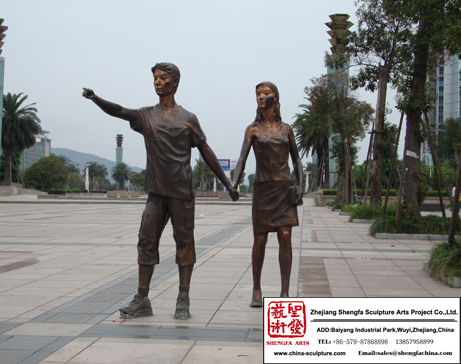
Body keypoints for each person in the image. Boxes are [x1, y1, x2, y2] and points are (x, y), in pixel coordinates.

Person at [83, 63, 239, 320]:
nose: (157, 82)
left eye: (163, 78)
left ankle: (183, 297)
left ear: (174, 83)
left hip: (181, 193)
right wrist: (95, 98)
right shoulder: (146, 115)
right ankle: (142, 298)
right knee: (146, 241)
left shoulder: (188, 118)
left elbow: (206, 152)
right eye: (155, 78)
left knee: (184, 244)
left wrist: (227, 183)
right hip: (156, 193)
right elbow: (120, 111)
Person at [232, 82, 303, 307]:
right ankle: (256, 288)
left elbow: (297, 159)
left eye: (266, 93)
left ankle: (284, 291)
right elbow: (242, 158)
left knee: (285, 236)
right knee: (260, 239)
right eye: (258, 94)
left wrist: (300, 184)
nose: (261, 97)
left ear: (276, 97)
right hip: (263, 188)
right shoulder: (252, 129)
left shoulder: (286, 129)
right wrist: (234, 182)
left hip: (284, 188)